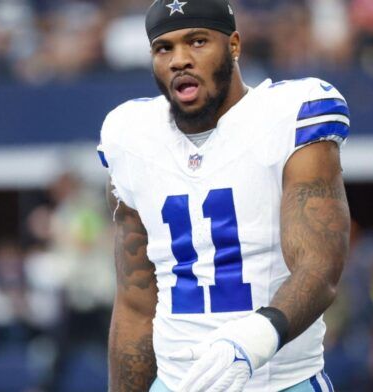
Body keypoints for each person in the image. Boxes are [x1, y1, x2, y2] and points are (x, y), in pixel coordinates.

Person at [97, 1, 351, 390]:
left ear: (233, 45)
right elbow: (135, 302)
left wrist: (254, 340)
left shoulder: (288, 115)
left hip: (279, 381)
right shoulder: (131, 135)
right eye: (164, 48)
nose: (180, 59)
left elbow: (318, 267)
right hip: (176, 382)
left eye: (197, 41)